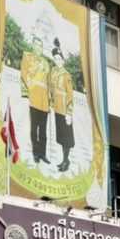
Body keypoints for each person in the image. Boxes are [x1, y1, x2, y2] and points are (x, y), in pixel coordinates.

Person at [20, 35, 51, 164]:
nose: (38, 48)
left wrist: (50, 102)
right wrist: (25, 95)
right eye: (36, 45)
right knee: (34, 129)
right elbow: (23, 75)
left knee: (43, 131)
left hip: (44, 101)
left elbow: (49, 83)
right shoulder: (27, 57)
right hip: (33, 97)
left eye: (40, 46)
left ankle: (43, 154)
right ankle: (36, 154)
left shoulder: (46, 63)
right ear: (33, 46)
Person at [49, 40, 74, 172]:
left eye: (59, 59)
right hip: (57, 109)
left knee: (66, 137)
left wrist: (69, 113)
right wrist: (51, 104)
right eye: (56, 59)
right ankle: (64, 159)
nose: (57, 61)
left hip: (65, 109)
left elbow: (70, 94)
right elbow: (51, 89)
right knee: (61, 136)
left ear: (63, 60)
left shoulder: (66, 75)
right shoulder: (53, 73)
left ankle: (66, 160)